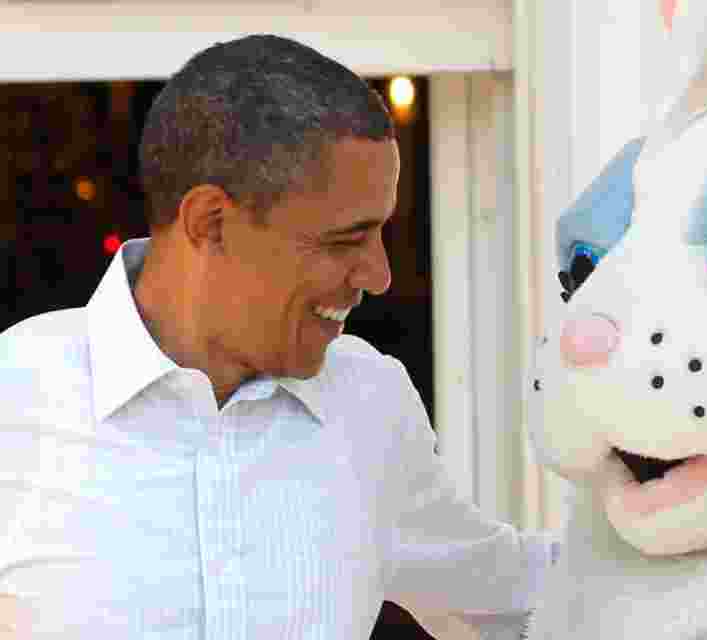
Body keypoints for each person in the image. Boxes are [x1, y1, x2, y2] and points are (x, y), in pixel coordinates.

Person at [0, 35, 558, 639]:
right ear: (211, 222)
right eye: (346, 239)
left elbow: (515, 594)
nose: (380, 274)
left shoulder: (368, 403)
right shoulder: (16, 397)